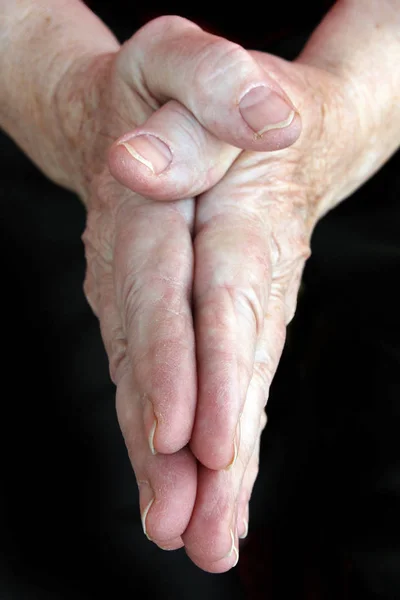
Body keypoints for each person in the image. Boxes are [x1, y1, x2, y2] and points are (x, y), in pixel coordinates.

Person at [1, 0, 399, 596]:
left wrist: (344, 106)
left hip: (379, 98)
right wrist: (72, 95)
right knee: (98, 534)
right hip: (30, 99)